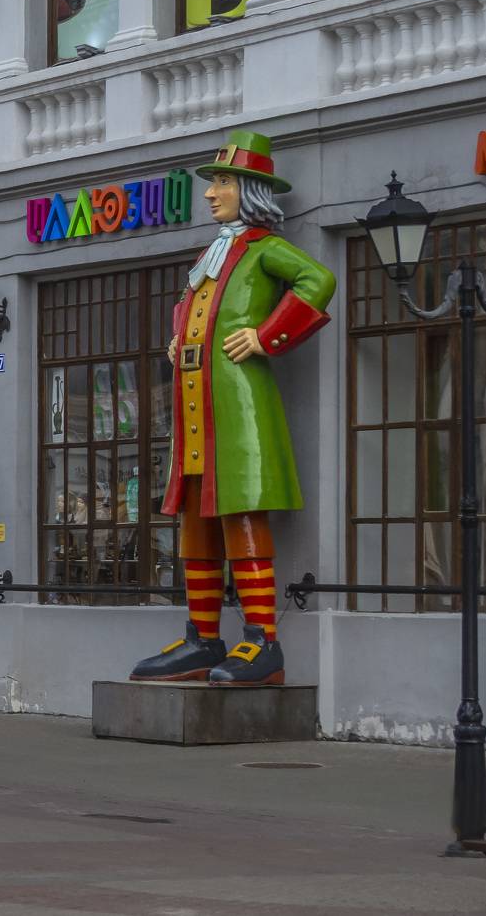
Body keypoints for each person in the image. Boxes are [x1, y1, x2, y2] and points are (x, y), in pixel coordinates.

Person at [129, 129, 335, 688]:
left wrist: (267, 337)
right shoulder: (214, 253)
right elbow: (195, 308)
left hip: (238, 408)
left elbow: (318, 279)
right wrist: (180, 339)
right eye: (213, 182)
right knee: (196, 522)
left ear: (249, 190)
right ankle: (203, 638)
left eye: (222, 182)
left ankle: (262, 641)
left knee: (241, 512)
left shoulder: (265, 249)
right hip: (196, 408)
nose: (210, 192)